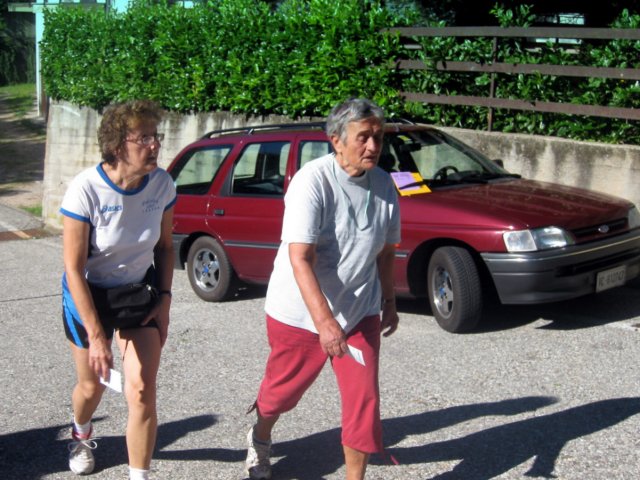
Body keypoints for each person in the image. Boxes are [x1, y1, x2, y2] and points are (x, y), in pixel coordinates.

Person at [245, 98, 401, 480]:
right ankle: (260, 436)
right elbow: (301, 258)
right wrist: (325, 322)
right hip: (300, 313)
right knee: (282, 394)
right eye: (363, 137)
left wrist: (389, 301)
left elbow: (385, 253)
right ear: (336, 140)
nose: (373, 146)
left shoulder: (385, 185)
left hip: (359, 311)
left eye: (378, 137)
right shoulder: (311, 182)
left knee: (364, 401)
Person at [60, 100, 176, 479]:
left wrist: (165, 300)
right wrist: (97, 337)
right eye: (143, 138)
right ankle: (81, 432)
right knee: (92, 387)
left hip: (137, 293)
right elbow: (73, 269)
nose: (154, 144)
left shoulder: (162, 185)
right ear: (116, 145)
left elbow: (165, 248)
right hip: (89, 295)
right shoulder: (86, 189)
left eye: (155, 136)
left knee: (141, 390)